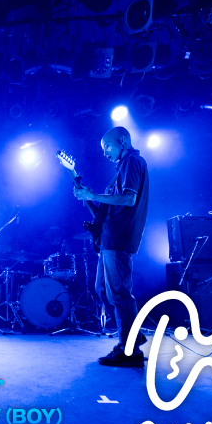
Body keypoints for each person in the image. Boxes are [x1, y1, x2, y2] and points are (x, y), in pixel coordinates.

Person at [73, 127, 149, 367]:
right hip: (109, 238)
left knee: (119, 293)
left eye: (107, 146)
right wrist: (88, 198)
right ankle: (132, 336)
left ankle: (130, 351)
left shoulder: (132, 162)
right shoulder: (122, 169)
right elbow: (104, 214)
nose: (104, 152)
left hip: (118, 239)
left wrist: (94, 195)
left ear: (123, 140)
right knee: (103, 290)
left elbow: (129, 198)